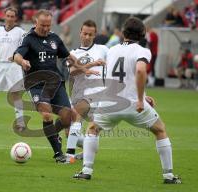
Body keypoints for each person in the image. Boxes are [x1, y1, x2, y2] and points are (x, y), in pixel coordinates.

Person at [73, 17, 182, 184]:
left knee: (92, 129)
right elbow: (139, 71)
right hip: (132, 104)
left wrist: (142, 96)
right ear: (142, 34)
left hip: (110, 103)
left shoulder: (112, 50)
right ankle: (168, 175)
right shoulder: (142, 51)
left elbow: (117, 76)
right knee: (160, 130)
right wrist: (140, 99)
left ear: (123, 33)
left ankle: (86, 171)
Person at [13, 9, 98, 163]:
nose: (46, 28)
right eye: (42, 25)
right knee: (46, 114)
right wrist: (23, 62)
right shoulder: (28, 39)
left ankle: (52, 134)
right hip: (36, 84)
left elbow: (67, 56)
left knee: (68, 118)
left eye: (48, 25)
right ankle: (58, 153)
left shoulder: (54, 38)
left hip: (56, 83)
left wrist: (83, 67)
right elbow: (17, 55)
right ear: (35, 22)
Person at [65, 20, 108, 162]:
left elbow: (115, 65)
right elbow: (71, 72)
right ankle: (89, 149)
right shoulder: (73, 53)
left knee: (77, 115)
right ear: (80, 33)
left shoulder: (103, 50)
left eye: (90, 34)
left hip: (96, 92)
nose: (87, 37)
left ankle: (69, 155)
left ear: (95, 35)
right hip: (78, 93)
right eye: (85, 33)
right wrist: (92, 64)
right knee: (69, 131)